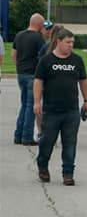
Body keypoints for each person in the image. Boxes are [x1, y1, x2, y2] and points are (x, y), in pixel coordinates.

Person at [33, 28, 87, 185]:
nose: (71, 45)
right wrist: (37, 102)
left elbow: (83, 81)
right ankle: (43, 166)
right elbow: (38, 81)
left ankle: (68, 173)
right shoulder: (46, 61)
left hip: (71, 111)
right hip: (51, 111)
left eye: (72, 42)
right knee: (47, 142)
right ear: (58, 41)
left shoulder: (77, 60)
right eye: (68, 42)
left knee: (70, 143)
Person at [12, 13, 46, 145]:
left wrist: (20, 67)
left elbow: (14, 54)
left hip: (21, 74)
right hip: (33, 75)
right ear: (39, 25)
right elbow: (43, 57)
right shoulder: (38, 38)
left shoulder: (19, 35)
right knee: (32, 107)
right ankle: (26, 137)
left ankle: (18, 135)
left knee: (24, 104)